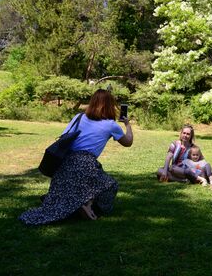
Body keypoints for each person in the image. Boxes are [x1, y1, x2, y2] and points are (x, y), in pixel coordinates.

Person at [19, 89, 133, 225]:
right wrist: (127, 124)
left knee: (76, 186)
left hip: (64, 162)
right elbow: (128, 142)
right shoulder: (111, 125)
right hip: (85, 162)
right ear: (110, 105)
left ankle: (79, 204)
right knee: (110, 185)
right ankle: (89, 206)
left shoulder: (78, 117)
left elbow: (65, 137)